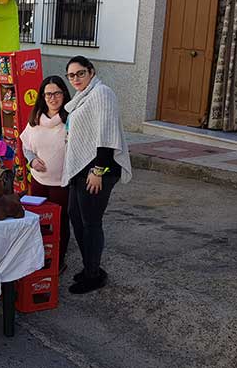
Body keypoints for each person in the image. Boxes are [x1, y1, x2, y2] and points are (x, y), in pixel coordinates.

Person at [61, 56, 132, 295]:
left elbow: (106, 134)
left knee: (91, 222)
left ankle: (93, 275)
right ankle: (90, 266)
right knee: (76, 216)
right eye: (71, 75)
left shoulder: (102, 93)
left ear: (91, 72)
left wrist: (98, 170)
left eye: (80, 73)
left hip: (98, 170)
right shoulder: (81, 98)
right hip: (81, 168)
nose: (76, 79)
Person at [20, 76, 72, 273]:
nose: (53, 98)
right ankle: (39, 257)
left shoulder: (71, 118)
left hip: (62, 183)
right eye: (48, 94)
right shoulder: (36, 119)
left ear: (64, 95)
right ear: (42, 96)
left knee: (60, 223)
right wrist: (31, 160)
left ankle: (58, 261)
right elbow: (26, 146)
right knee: (39, 221)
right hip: (39, 182)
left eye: (57, 93)